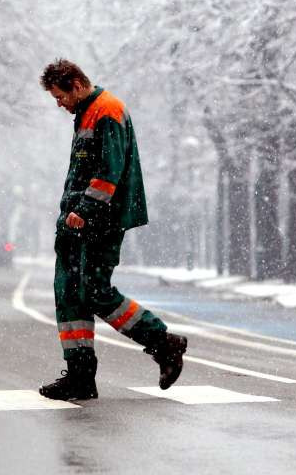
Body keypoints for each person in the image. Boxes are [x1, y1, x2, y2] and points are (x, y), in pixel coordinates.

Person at [38, 59, 187, 401]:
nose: (59, 104)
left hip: (97, 222)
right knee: (71, 292)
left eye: (60, 96)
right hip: (80, 222)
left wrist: (85, 210)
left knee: (92, 291)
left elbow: (110, 170)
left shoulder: (107, 111)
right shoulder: (89, 113)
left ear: (75, 83)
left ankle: (163, 342)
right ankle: (79, 376)